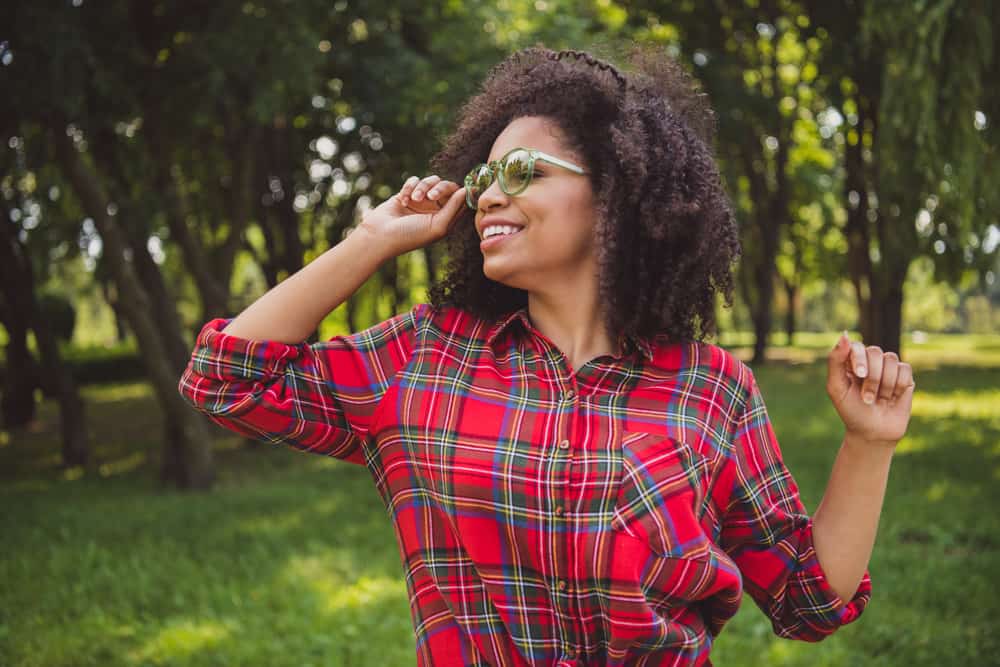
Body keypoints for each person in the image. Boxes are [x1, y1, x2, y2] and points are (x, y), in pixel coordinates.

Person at [178, 45, 915, 667]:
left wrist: (869, 442)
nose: (490, 196)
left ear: (615, 192)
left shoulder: (711, 390)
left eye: (522, 171)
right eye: (483, 178)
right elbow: (227, 378)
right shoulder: (425, 355)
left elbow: (806, 598)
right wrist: (371, 239)